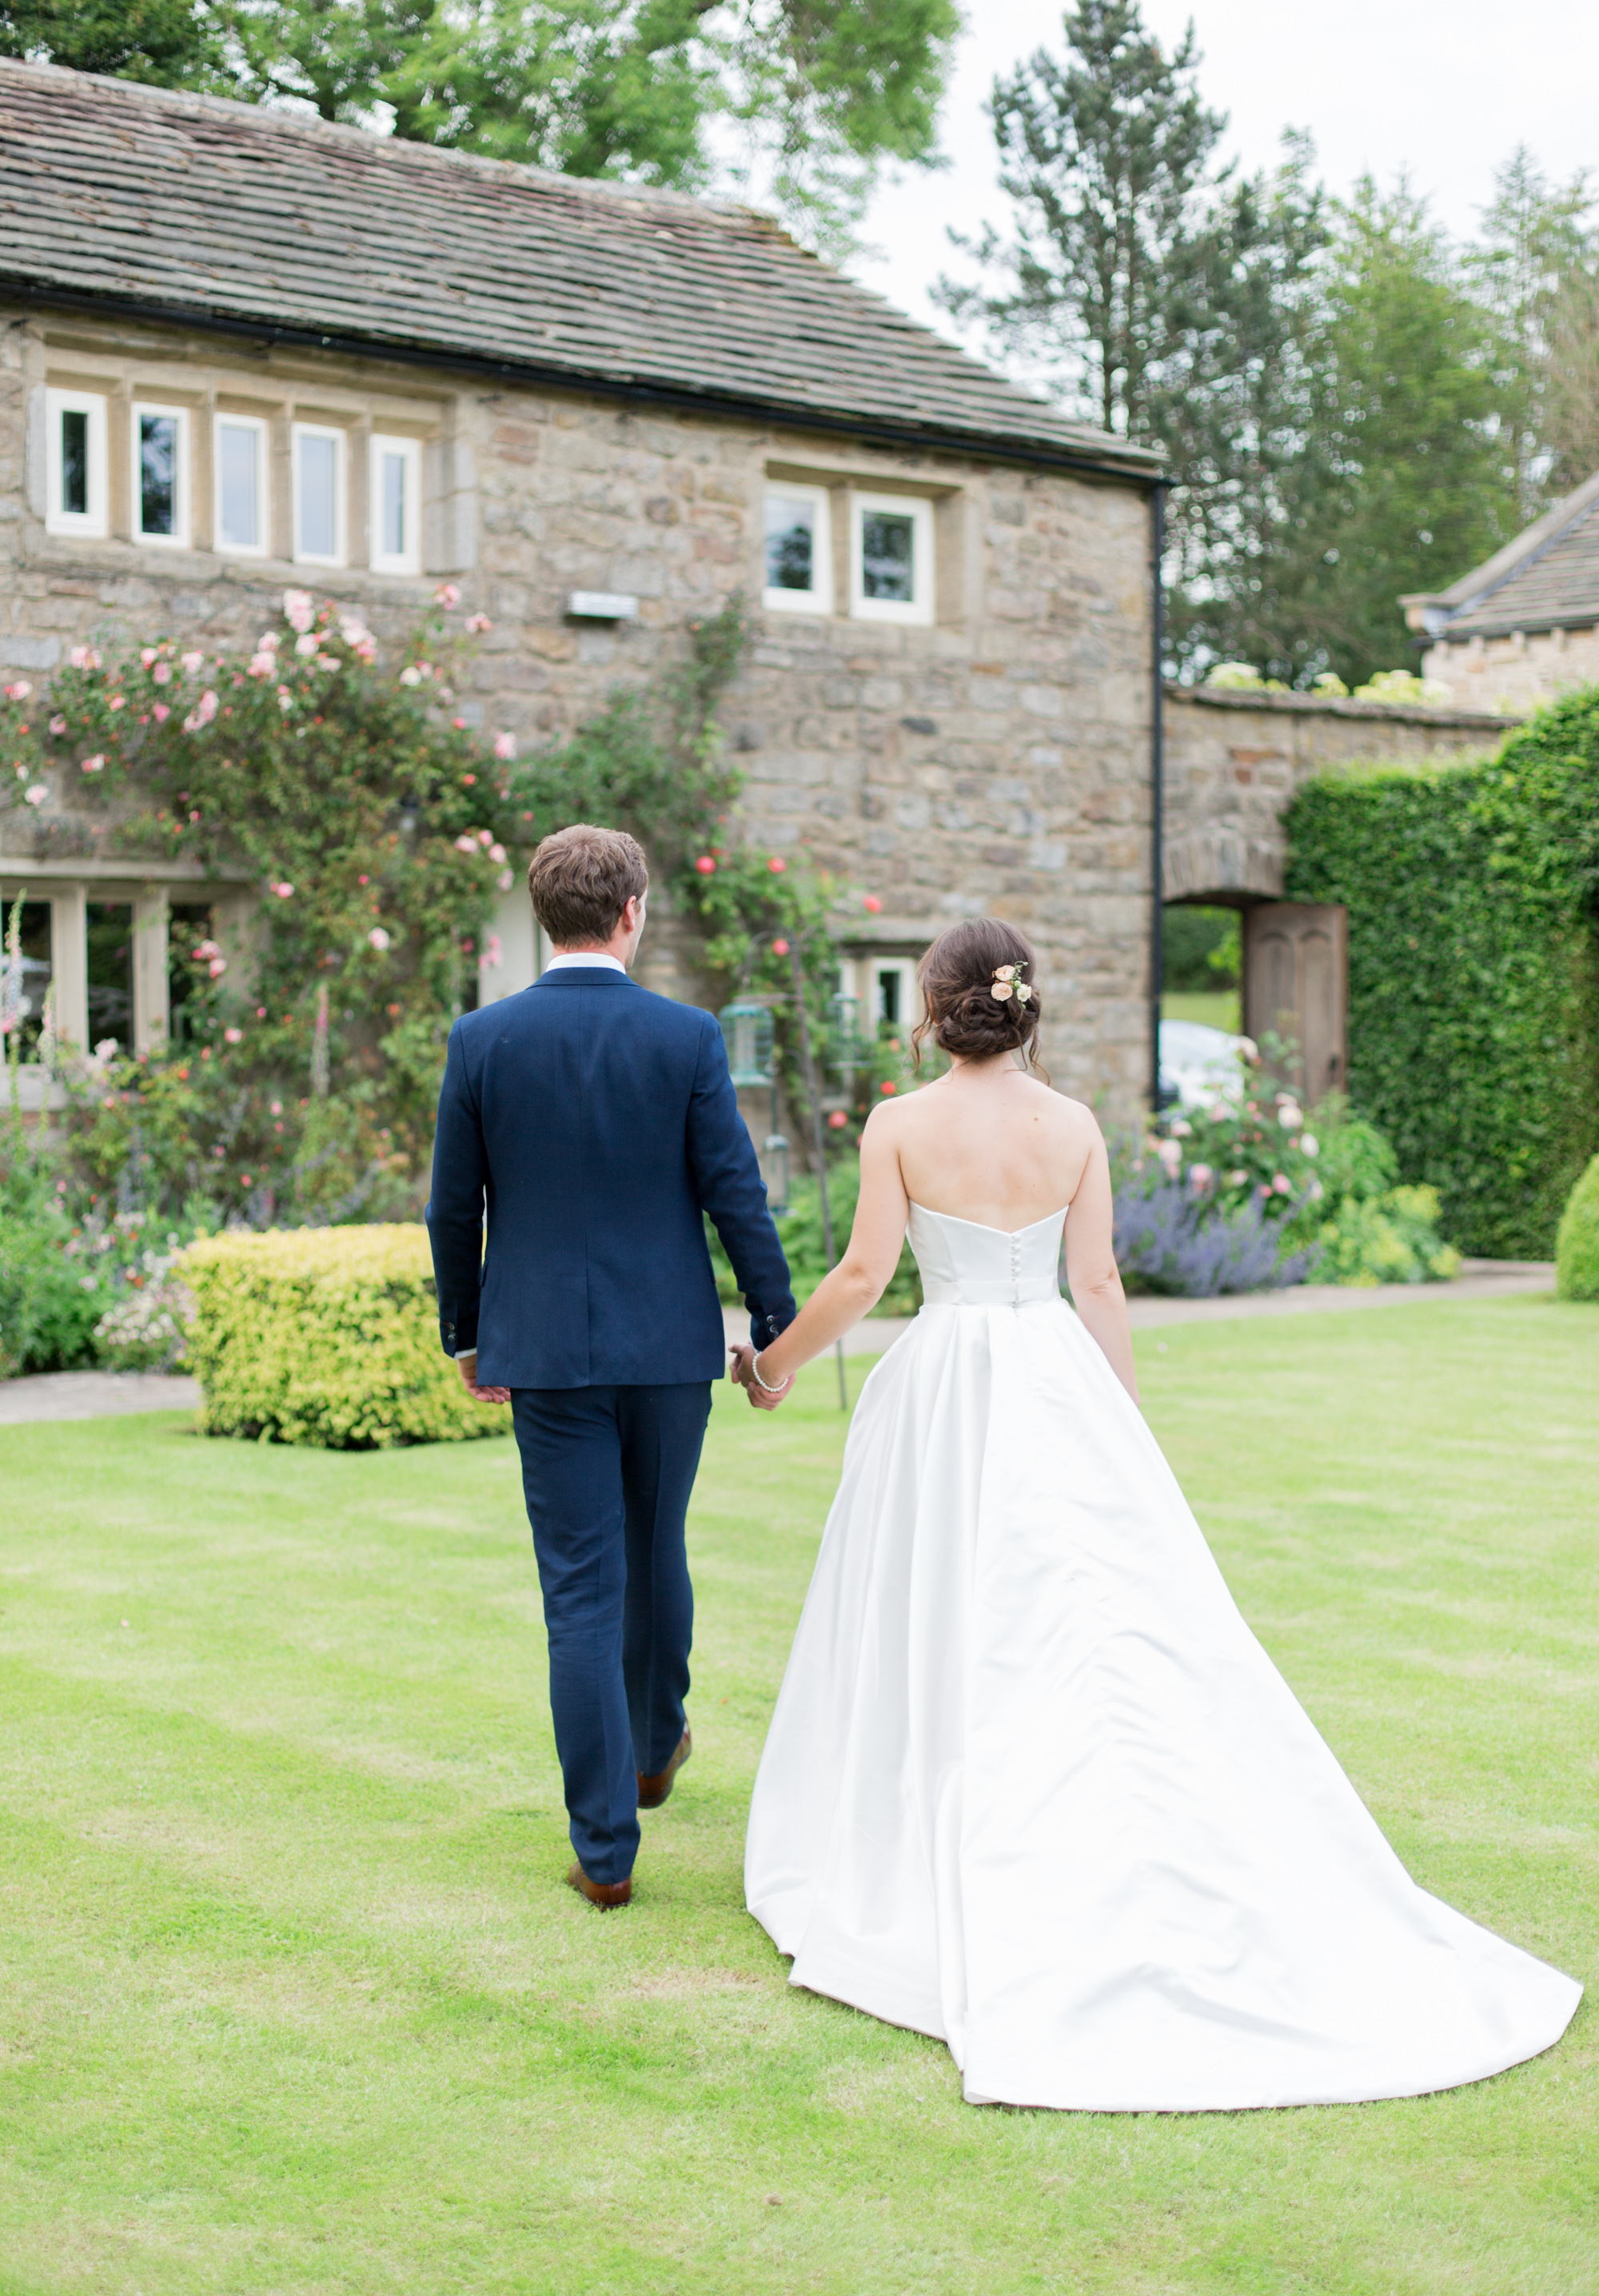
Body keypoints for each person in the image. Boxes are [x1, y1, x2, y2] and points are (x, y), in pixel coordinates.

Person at [732, 916, 1581, 2111]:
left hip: (944, 1388)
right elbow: (1097, 1282)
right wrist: (1116, 1419)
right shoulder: (1073, 1126)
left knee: (942, 1602)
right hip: (1051, 1379)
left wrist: (772, 1364)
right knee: (1082, 1614)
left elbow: (868, 1277)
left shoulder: (900, 1125)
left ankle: (935, 1824)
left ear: (934, 1010)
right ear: (1026, 1006)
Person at [427, 823, 795, 1911]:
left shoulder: (481, 1038)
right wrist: (771, 1323)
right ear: (632, 912)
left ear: (548, 916)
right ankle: (650, 1746)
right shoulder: (685, 1038)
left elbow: (455, 1205)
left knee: (582, 1586)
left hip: (541, 1350)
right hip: (668, 1348)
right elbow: (736, 1192)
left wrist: (466, 1332)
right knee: (655, 1542)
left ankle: (605, 1847)